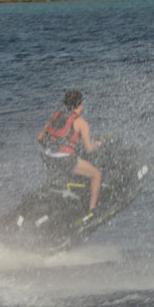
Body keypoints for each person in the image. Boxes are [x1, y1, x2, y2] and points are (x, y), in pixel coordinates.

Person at [37, 89, 102, 223]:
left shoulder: (56, 115)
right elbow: (89, 149)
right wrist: (97, 144)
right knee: (96, 174)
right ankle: (92, 210)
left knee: (67, 166)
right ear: (81, 104)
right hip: (64, 160)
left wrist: (53, 149)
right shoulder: (82, 123)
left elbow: (40, 138)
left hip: (48, 158)